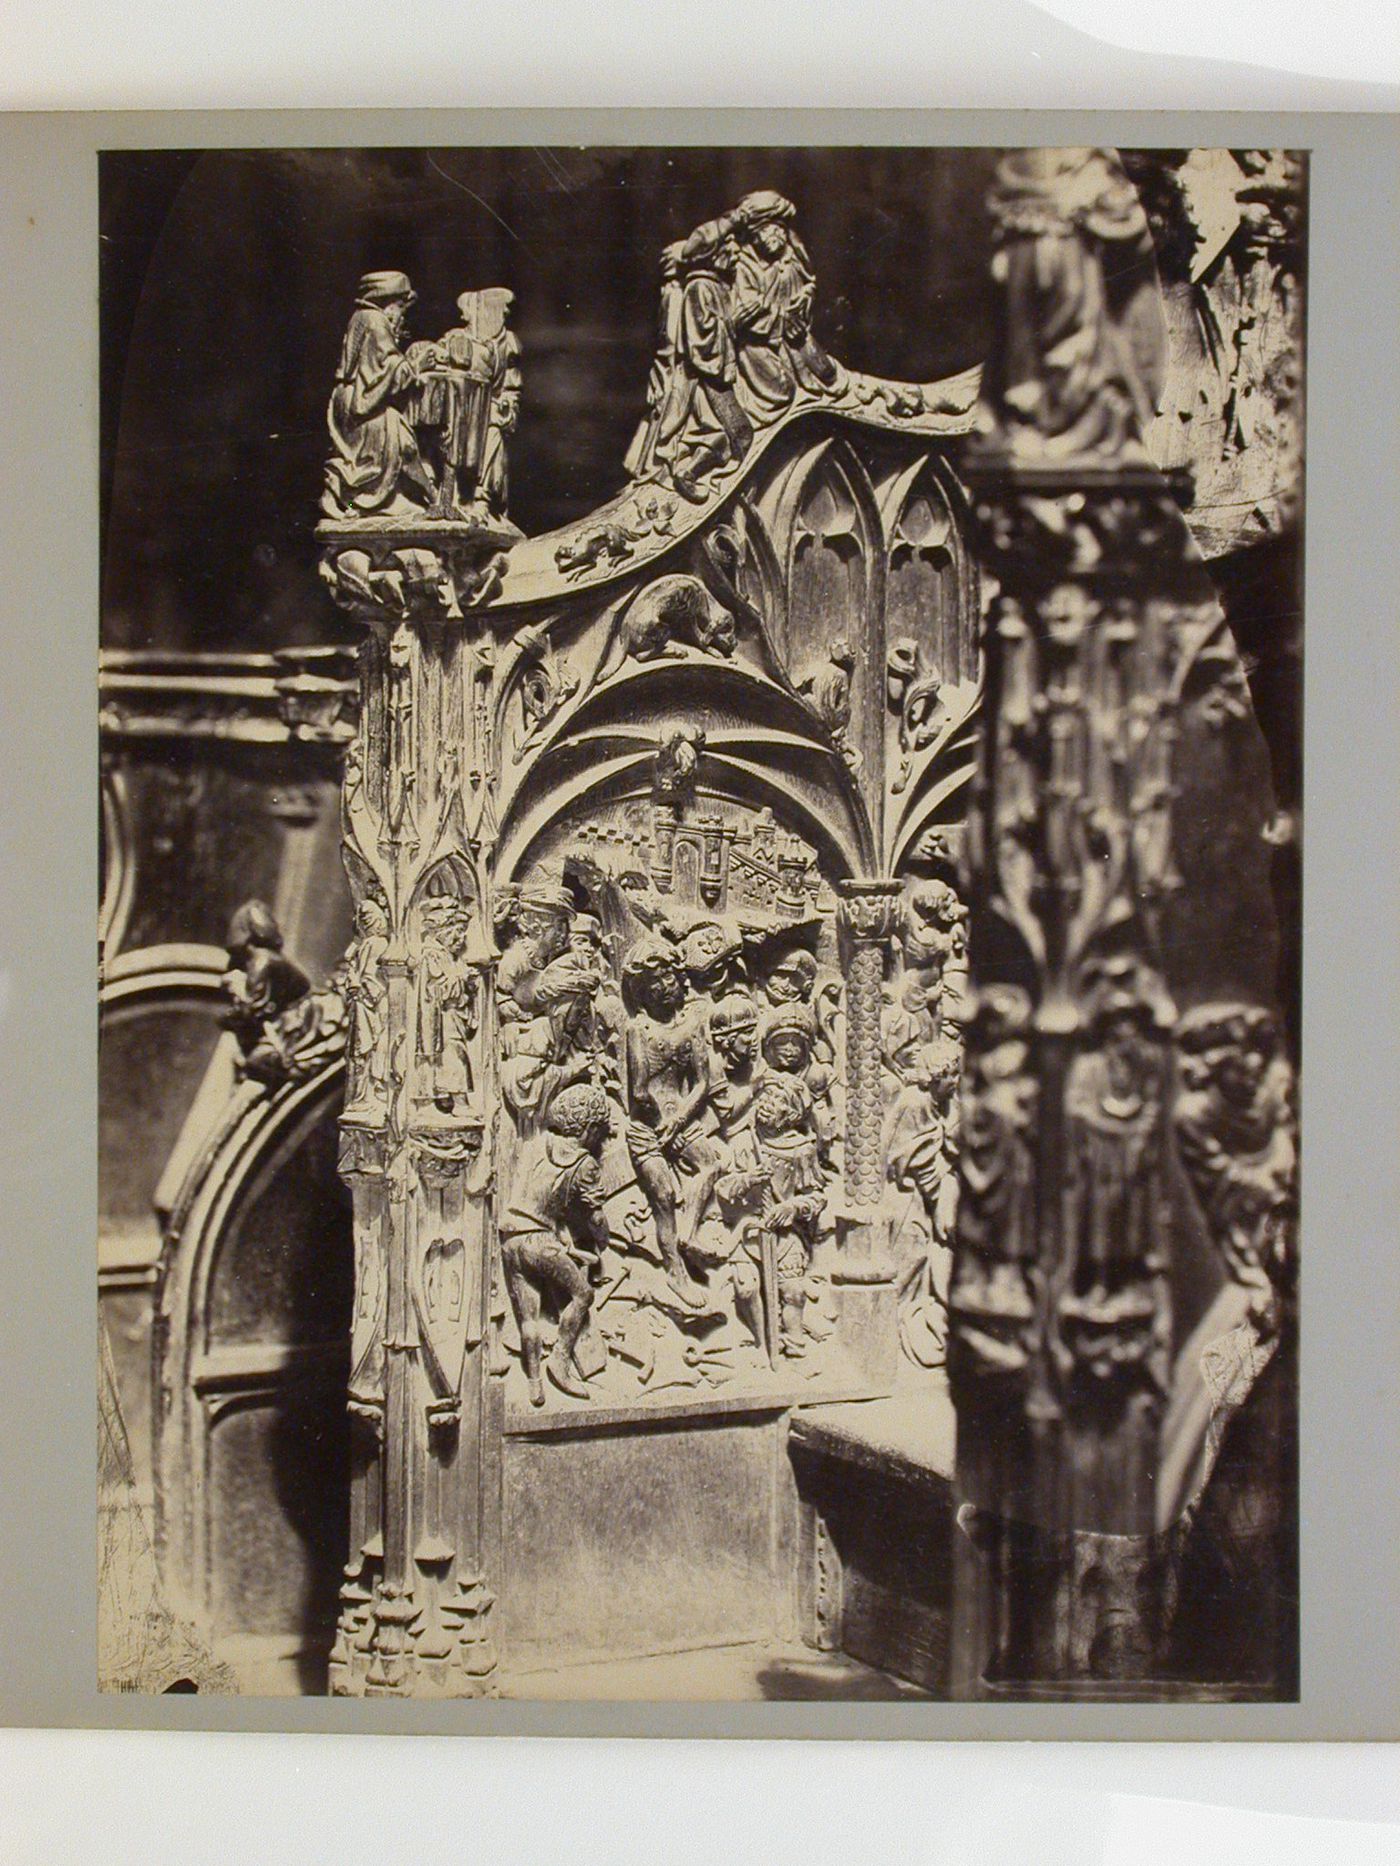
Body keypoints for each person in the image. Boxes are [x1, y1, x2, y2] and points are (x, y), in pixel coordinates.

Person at [500, 1085, 613, 1406]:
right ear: (589, 1129)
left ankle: (534, 1384)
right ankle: (559, 1361)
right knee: (583, 1294)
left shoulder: (535, 1144)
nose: (602, 1142)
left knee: (528, 1317)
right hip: (539, 1241)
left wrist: (563, 1241)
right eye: (601, 1133)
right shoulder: (585, 1163)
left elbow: (538, 1199)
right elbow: (595, 1218)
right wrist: (603, 1240)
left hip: (511, 1238)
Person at [322, 271, 437, 519]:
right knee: (399, 446)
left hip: (352, 399)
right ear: (388, 301)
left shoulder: (361, 317)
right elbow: (389, 366)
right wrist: (417, 365)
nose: (401, 315)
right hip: (365, 405)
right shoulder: (375, 320)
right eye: (399, 307)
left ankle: (356, 507)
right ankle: (366, 507)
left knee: (370, 463)